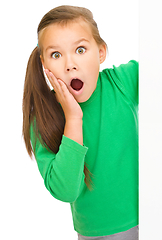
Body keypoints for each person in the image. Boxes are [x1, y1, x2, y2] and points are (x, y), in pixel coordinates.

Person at [22, 5, 139, 240]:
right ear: (45, 66)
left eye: (81, 49)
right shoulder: (42, 118)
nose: (70, 64)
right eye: (56, 55)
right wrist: (73, 118)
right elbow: (65, 190)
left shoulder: (122, 82)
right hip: (96, 233)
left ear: (101, 53)